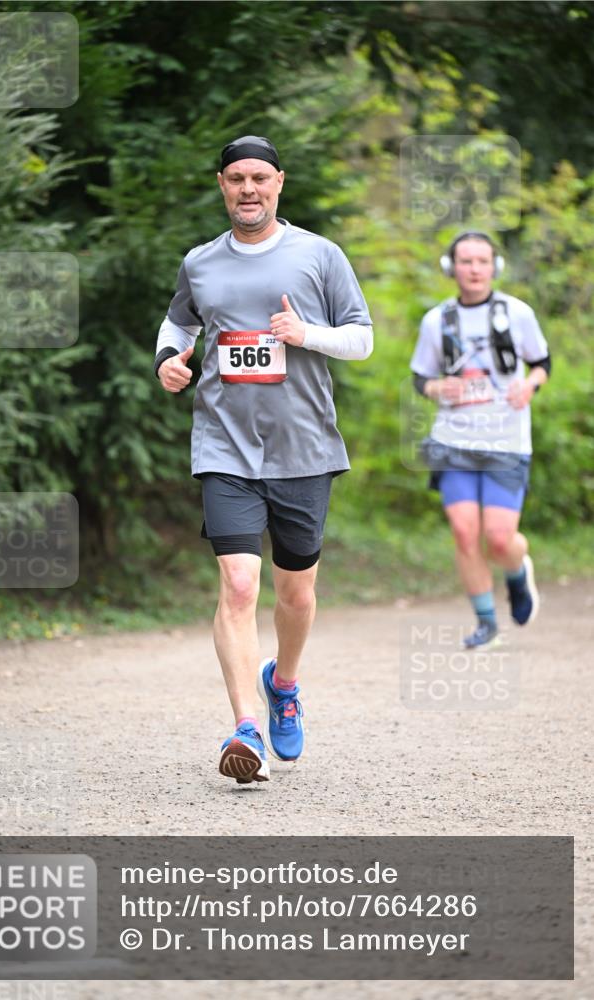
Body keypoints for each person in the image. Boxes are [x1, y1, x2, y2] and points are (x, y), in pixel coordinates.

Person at [155, 136, 373, 783]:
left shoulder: (318, 255)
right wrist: (168, 362)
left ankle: (284, 682)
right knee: (239, 583)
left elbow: (361, 337)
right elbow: (179, 327)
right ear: (221, 185)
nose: (247, 189)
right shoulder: (200, 263)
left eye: (259, 177)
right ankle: (244, 726)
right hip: (224, 444)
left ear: (278, 182)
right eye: (235, 179)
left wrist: (305, 335)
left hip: (303, 447)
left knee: (295, 591)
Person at [411, 231, 551, 649]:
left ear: (495, 267)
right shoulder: (437, 320)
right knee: (464, 532)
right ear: (451, 267)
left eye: (482, 261)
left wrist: (530, 386)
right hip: (453, 441)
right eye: (466, 261)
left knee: (499, 538)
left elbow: (542, 363)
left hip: (506, 441)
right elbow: (421, 378)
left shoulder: (517, 313)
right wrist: (439, 389)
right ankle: (487, 621)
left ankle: (517, 571)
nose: (474, 269)